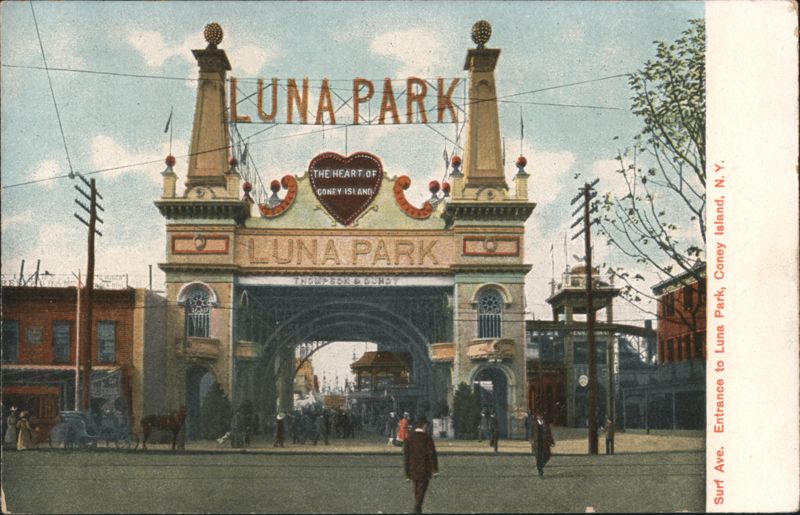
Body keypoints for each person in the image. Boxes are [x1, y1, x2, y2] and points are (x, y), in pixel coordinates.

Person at [403, 416, 438, 514]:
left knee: (416, 489)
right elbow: (432, 455)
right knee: (422, 490)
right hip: (424, 469)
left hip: (412, 469)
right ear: (424, 425)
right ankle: (417, 507)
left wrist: (407, 474)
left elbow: (406, 457)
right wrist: (435, 470)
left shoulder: (409, 438)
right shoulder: (427, 438)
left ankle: (418, 507)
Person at [530, 410, 555, 478]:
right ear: (536, 417)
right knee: (538, 457)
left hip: (545, 442)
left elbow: (549, 433)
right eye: (538, 416)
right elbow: (531, 432)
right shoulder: (534, 423)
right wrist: (531, 439)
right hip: (537, 443)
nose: (540, 417)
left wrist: (552, 442)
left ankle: (541, 466)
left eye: (540, 416)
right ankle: (540, 472)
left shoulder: (545, 423)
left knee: (547, 455)